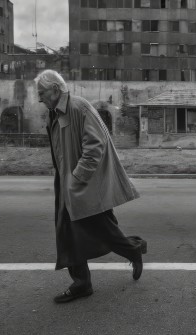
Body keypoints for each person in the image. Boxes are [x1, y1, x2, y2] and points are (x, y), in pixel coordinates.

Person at [36, 70, 146, 304]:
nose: (39, 98)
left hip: (82, 184)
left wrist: (76, 179)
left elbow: (95, 146)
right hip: (67, 182)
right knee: (67, 232)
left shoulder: (78, 107)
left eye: (41, 92)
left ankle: (133, 249)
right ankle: (81, 283)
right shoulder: (54, 113)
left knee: (102, 228)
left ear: (55, 89)